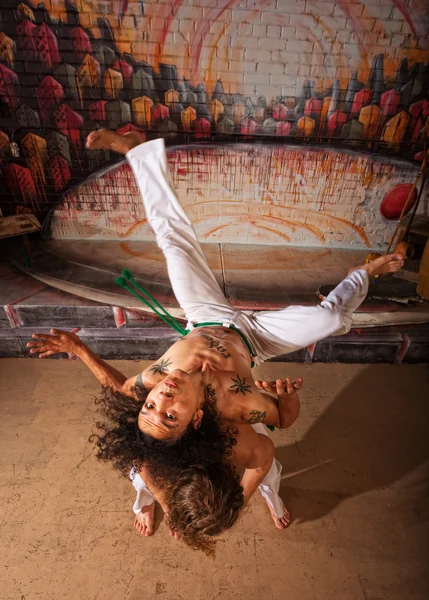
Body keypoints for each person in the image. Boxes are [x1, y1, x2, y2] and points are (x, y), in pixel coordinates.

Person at [27, 130, 404, 547]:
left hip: (204, 316)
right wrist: (288, 394)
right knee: (331, 317)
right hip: (256, 339)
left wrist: (78, 348)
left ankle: (136, 150)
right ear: (198, 419)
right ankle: (369, 273)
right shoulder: (238, 403)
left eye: (152, 406)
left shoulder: (155, 383)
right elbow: (284, 419)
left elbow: (118, 387)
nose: (162, 398)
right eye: (171, 414)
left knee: (174, 242)